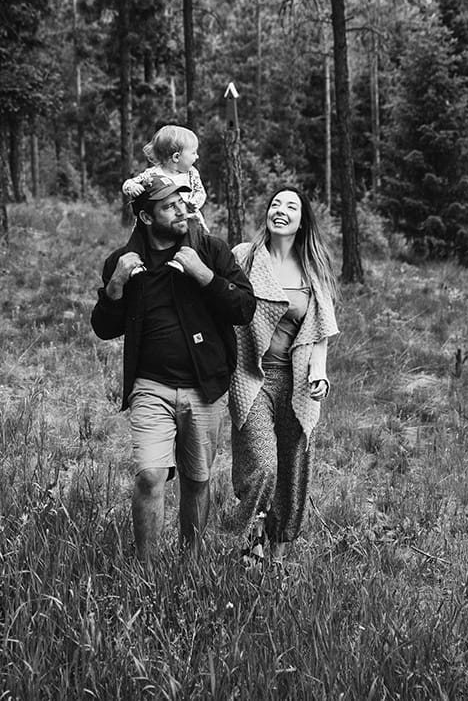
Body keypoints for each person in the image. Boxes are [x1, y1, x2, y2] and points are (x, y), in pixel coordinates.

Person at [91, 172, 256, 567]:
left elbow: (243, 309)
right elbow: (104, 327)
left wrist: (204, 275)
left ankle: (190, 565)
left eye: (184, 202)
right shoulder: (124, 262)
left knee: (197, 480)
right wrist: (115, 287)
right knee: (150, 475)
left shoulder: (211, 250)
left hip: (205, 387)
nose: (182, 209)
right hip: (151, 386)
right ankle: (146, 573)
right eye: (169, 206)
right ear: (147, 218)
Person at [226, 186, 339, 563]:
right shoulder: (245, 256)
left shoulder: (313, 268)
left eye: (291, 206)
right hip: (251, 376)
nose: (281, 210)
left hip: (297, 383)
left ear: (302, 219)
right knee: (263, 465)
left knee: (290, 470)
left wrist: (319, 373)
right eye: (275, 203)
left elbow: (319, 330)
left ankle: (274, 553)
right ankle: (246, 538)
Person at [121, 125, 209, 232]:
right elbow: (128, 184)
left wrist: (194, 203)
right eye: (193, 153)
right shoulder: (152, 174)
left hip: (188, 222)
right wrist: (133, 187)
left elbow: (200, 192)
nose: (197, 156)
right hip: (162, 226)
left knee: (195, 244)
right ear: (176, 157)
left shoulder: (192, 173)